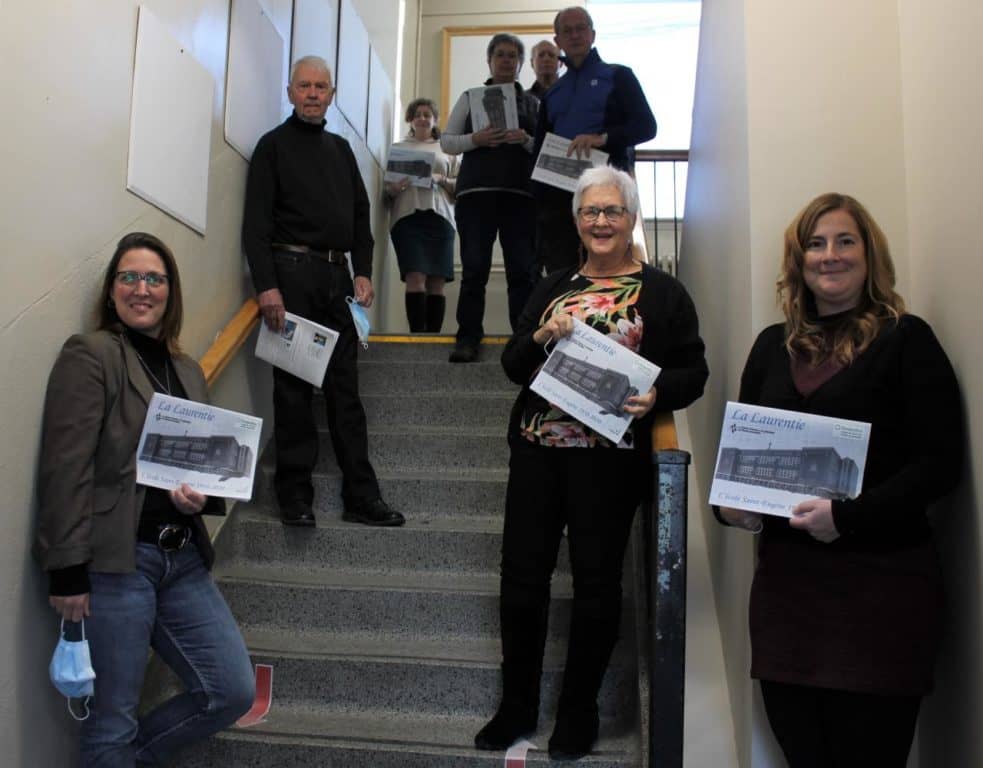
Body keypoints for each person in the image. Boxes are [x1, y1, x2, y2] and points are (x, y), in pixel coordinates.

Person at [716, 193, 963, 767]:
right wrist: (730, 508)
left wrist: (846, 519)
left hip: (882, 594)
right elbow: (740, 463)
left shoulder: (907, 339)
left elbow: (939, 463)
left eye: (845, 241)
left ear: (869, 254)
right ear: (798, 261)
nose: (830, 255)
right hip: (787, 601)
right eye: (816, 243)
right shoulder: (770, 347)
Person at [477, 167, 708, 759]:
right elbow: (511, 364)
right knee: (521, 580)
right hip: (537, 452)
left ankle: (578, 711)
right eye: (590, 212)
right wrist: (540, 336)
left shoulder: (663, 292)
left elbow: (693, 371)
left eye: (612, 211)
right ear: (576, 221)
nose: (601, 222)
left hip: (609, 463)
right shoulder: (552, 284)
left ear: (631, 218)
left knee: (597, 584)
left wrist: (659, 395)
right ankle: (517, 705)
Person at [34, 232, 255, 766]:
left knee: (231, 691)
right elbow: (66, 468)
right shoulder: (91, 354)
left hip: (182, 558)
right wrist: (66, 571)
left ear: (170, 292)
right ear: (112, 291)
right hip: (117, 563)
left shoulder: (188, 371)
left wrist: (197, 498)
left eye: (155, 278)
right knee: (110, 721)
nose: (142, 288)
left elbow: (198, 467)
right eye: (129, 277)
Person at [242, 55, 404, 527]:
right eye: (304, 86)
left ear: (332, 94)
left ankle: (362, 498)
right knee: (292, 390)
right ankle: (295, 497)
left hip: (338, 282)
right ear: (290, 92)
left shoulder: (341, 150)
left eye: (321, 87)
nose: (313, 94)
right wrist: (267, 286)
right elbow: (255, 226)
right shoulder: (271, 147)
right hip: (290, 276)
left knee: (345, 393)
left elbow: (360, 219)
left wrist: (364, 271)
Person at [533, 6, 657, 275]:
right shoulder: (553, 93)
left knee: (611, 269)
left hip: (608, 190)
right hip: (559, 200)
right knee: (561, 273)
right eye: (567, 30)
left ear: (593, 34)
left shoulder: (618, 76)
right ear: (558, 41)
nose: (575, 35)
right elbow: (539, 151)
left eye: (581, 28)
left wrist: (602, 139)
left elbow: (646, 126)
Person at [440, 33, 540, 363]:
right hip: (476, 195)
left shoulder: (533, 104)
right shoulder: (471, 96)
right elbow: (448, 142)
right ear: (489, 60)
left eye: (513, 55)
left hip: (520, 197)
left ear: (521, 63)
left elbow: (544, 149)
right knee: (474, 270)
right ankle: (468, 338)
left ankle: (524, 342)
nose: (507, 60)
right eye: (500, 54)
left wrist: (525, 139)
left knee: (522, 273)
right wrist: (477, 138)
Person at [384, 97, 458, 333]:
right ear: (410, 120)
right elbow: (387, 189)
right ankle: (416, 336)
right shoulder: (399, 148)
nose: (422, 118)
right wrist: (395, 187)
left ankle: (433, 339)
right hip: (408, 218)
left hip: (441, 218)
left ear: (435, 120)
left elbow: (462, 185)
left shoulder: (448, 148)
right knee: (415, 276)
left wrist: (442, 179)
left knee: (437, 281)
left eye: (427, 114)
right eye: (418, 114)